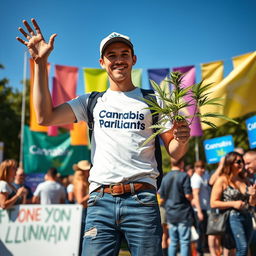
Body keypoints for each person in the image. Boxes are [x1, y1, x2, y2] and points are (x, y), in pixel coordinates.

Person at [17, 19, 190, 256]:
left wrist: (182, 138)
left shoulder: (154, 100)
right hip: (100, 201)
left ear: (134, 59)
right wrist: (41, 63)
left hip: (143, 200)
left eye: (124, 54)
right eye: (111, 55)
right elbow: (44, 117)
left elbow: (175, 151)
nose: (118, 59)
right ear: (102, 62)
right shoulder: (91, 101)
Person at [211, 151, 256, 256]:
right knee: (242, 248)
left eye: (242, 161)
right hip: (233, 217)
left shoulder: (245, 180)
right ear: (230, 163)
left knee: (245, 247)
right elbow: (213, 203)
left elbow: (252, 203)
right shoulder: (222, 180)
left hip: (248, 216)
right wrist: (233, 204)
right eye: (238, 161)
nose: (242, 164)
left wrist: (253, 196)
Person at [159, 157, 194, 256]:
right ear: (182, 163)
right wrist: (193, 199)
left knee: (173, 241)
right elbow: (188, 195)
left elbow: (162, 198)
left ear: (171, 163)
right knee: (184, 241)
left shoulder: (165, 177)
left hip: (170, 213)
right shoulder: (184, 176)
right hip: (183, 212)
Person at [191, 160, 211, 256]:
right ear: (196, 168)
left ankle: (202, 250)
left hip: (204, 208)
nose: (202, 170)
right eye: (200, 168)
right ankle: (199, 252)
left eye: (203, 167)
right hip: (199, 210)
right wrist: (199, 212)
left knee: (203, 232)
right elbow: (195, 195)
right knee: (200, 233)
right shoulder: (196, 179)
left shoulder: (203, 176)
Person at [73, 160, 91, 255]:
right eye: (87, 170)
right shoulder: (80, 183)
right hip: (82, 212)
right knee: (82, 238)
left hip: (83, 212)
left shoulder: (81, 182)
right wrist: (92, 192)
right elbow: (80, 201)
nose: (89, 171)